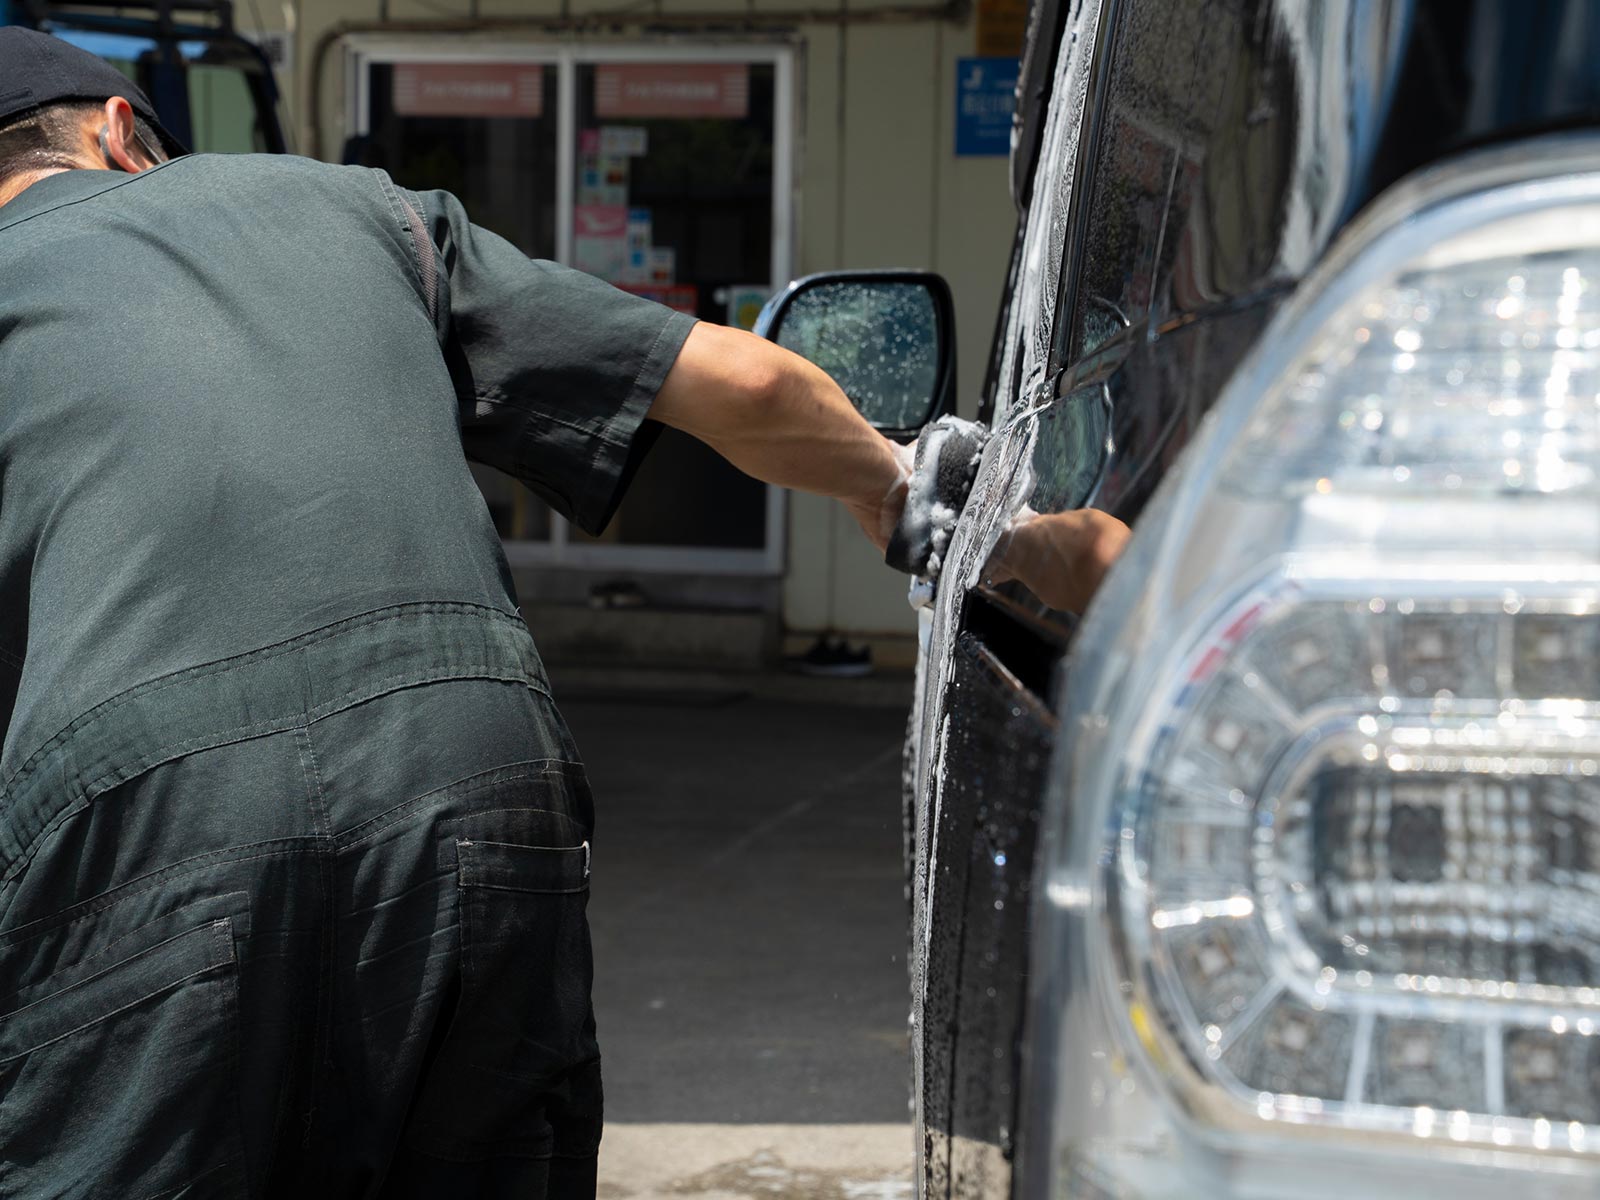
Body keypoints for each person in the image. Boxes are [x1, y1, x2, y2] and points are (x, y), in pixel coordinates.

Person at [0, 27, 1125, 1199]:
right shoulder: (354, 211)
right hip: (470, 764)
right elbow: (747, 382)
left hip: (133, 817)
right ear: (121, 134)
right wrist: (904, 496)